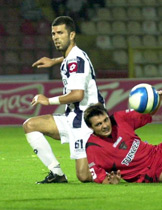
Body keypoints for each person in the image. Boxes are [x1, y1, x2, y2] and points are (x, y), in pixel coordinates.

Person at [23, 16, 104, 184]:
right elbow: (70, 60)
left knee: (83, 176)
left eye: (60, 33)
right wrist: (54, 61)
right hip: (72, 117)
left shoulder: (75, 60)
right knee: (30, 125)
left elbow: (77, 95)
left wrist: (48, 101)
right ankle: (57, 174)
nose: (56, 37)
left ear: (72, 35)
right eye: (53, 33)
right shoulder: (73, 56)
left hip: (86, 121)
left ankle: (120, 168)